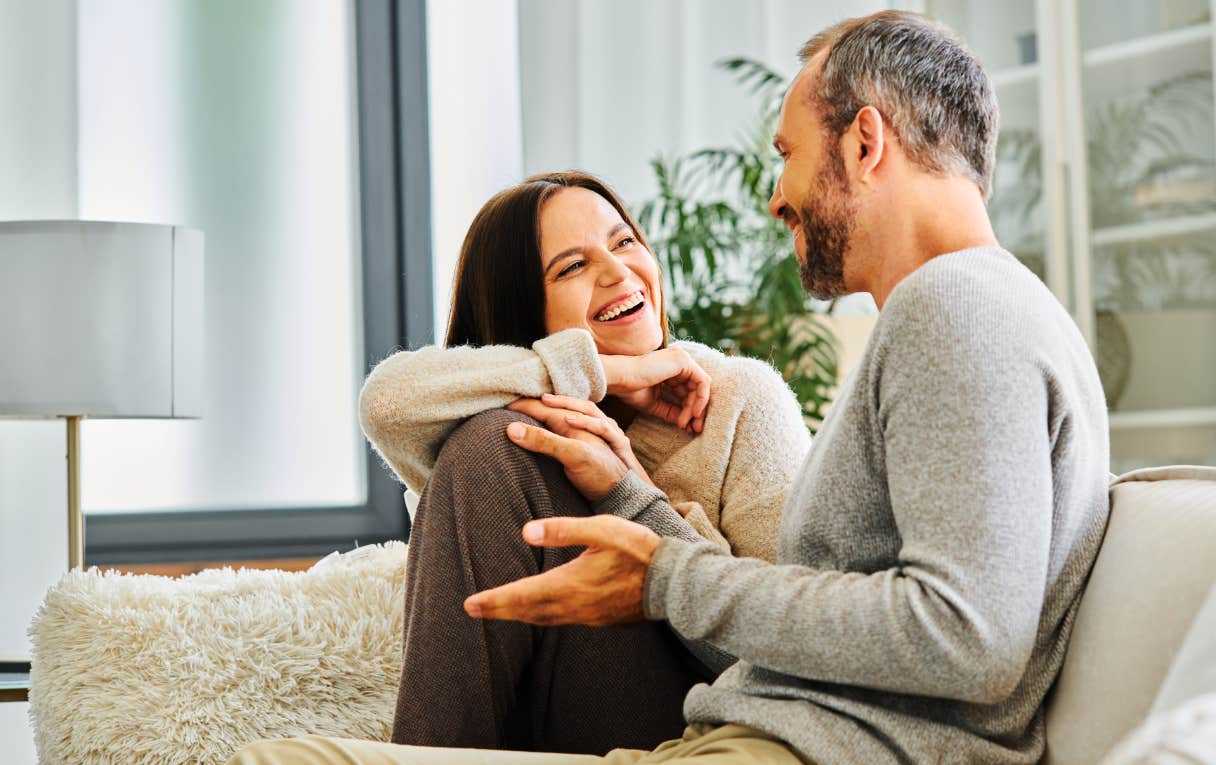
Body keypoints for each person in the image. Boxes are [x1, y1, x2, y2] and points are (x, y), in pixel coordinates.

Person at [228, 9, 1110, 765]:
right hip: (762, 735)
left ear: (866, 143)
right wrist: (630, 501)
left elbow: (967, 638)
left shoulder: (955, 307)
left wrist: (663, 577)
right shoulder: (961, 313)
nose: (776, 196)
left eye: (789, 153)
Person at [355, 170, 812, 753]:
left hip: (699, 724)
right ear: (523, 311)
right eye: (572, 266)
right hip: (531, 718)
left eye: (624, 242)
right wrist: (606, 372)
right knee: (498, 438)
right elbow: (386, 401)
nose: (619, 270)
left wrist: (630, 494)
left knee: (501, 440)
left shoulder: (739, 398)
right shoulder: (490, 417)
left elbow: (790, 654)